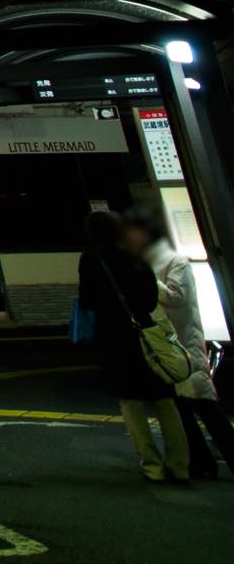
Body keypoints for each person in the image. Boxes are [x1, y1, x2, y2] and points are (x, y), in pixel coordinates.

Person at [79, 207, 189, 481]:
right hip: (146, 331)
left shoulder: (92, 257)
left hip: (115, 336)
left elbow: (87, 299)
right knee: (165, 401)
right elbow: (151, 296)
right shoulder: (134, 253)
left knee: (130, 403)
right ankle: (180, 466)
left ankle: (152, 466)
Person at [129, 206, 233, 478]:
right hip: (171, 343)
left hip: (185, 341)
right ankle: (201, 462)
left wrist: (150, 281)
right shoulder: (152, 263)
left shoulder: (176, 262)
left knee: (206, 408)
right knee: (184, 409)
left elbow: (176, 297)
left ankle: (214, 459)